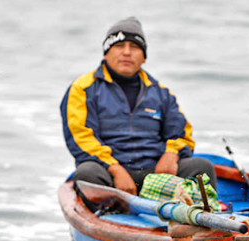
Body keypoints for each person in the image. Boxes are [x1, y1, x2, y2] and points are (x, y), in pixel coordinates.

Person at [61, 16, 217, 197]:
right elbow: (80, 138)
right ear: (106, 53)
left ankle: (202, 218)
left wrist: (171, 155)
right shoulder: (82, 89)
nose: (127, 52)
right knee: (87, 173)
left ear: (143, 57)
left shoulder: (161, 92)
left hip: (157, 174)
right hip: (110, 174)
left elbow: (181, 133)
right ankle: (111, 214)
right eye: (119, 46)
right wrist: (115, 169)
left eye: (134, 47)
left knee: (201, 167)